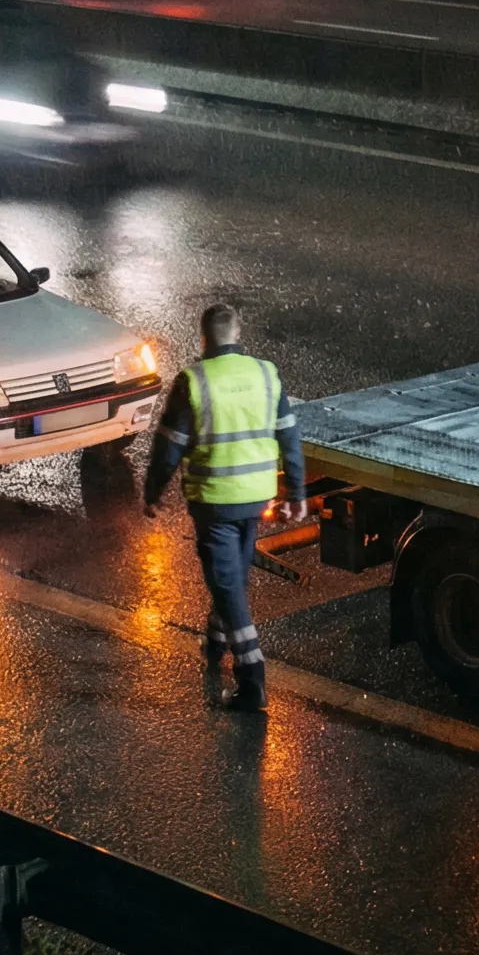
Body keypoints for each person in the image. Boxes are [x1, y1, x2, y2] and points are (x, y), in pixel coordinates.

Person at [143, 304, 306, 712]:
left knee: (229, 584)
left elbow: (169, 447)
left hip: (214, 501)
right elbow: (289, 436)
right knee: (232, 575)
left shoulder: (194, 381)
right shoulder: (265, 373)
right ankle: (217, 638)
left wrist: (153, 491)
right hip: (256, 496)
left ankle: (252, 679)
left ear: (203, 338)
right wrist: (296, 493)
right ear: (238, 333)